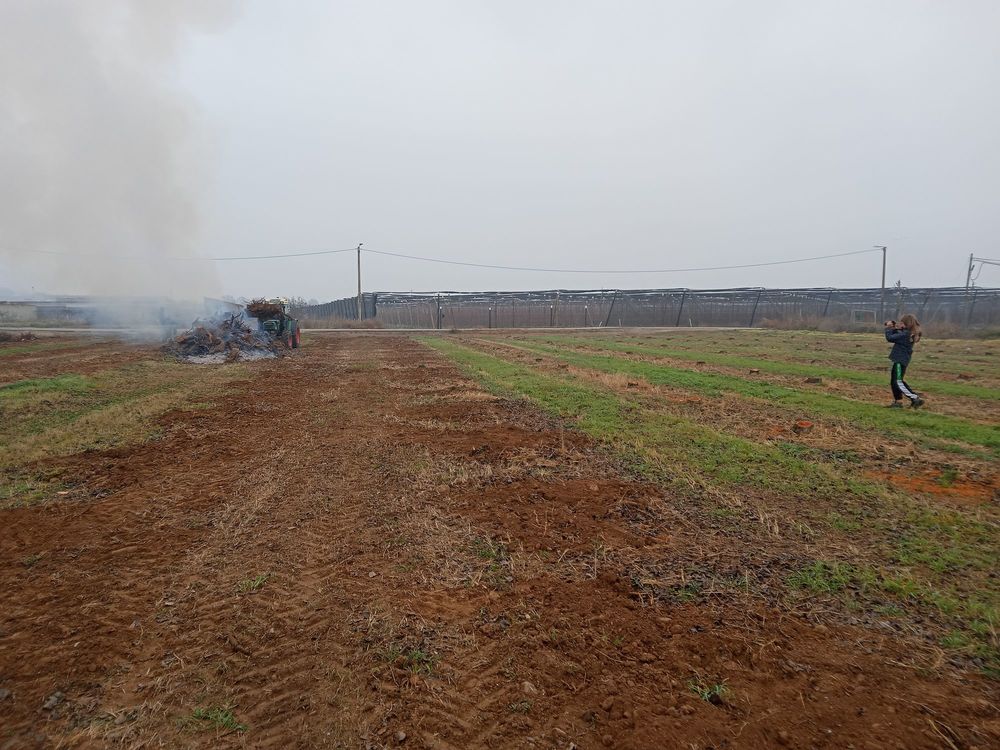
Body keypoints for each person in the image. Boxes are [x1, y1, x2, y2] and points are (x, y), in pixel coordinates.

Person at [884, 314, 924, 409]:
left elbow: (890, 338)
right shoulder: (908, 333)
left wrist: (889, 328)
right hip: (900, 360)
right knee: (894, 381)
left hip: (900, 360)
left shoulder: (906, 334)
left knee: (898, 382)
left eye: (902, 322)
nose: (900, 324)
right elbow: (897, 335)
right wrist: (894, 328)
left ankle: (915, 398)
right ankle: (898, 402)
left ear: (907, 324)